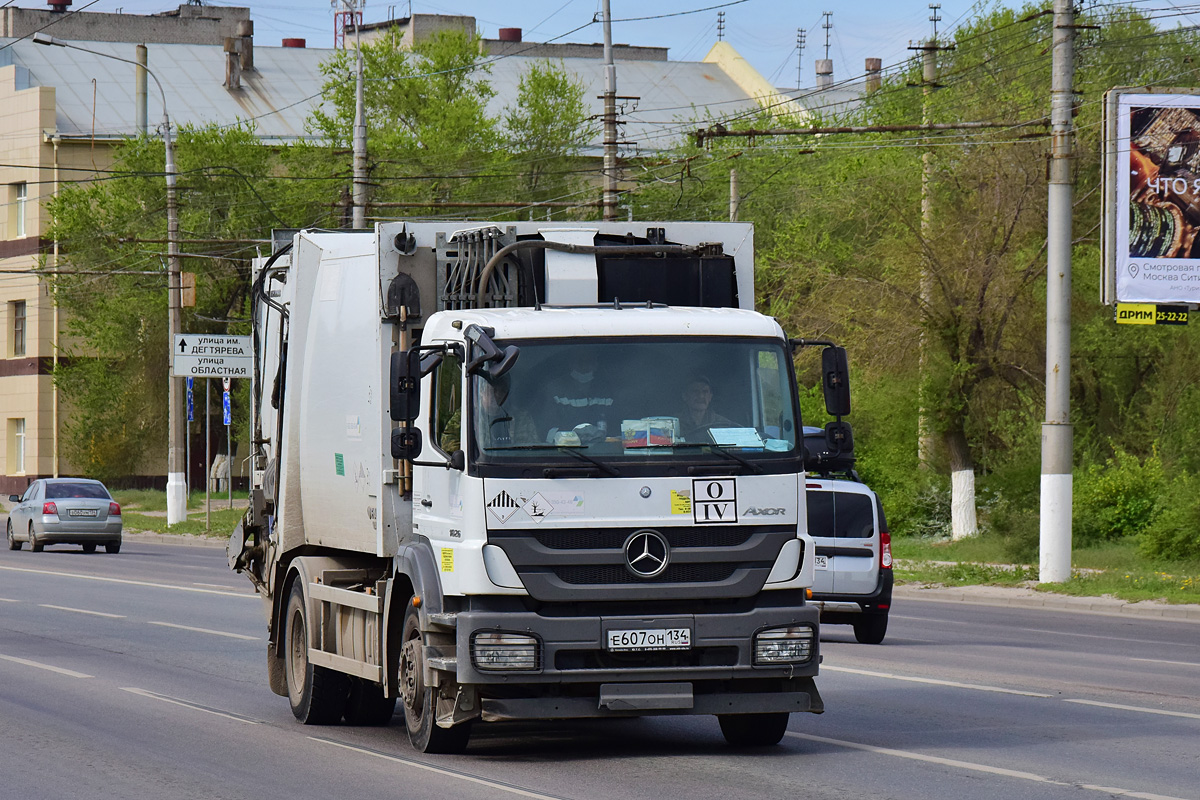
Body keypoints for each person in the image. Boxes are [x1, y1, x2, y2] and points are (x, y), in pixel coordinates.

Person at [542, 350, 614, 443]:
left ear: (596, 364)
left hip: (605, 454)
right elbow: (546, 431)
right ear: (571, 364)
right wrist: (574, 436)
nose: (584, 366)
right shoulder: (555, 391)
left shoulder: (605, 390)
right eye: (580, 361)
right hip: (565, 453)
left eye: (588, 361)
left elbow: (620, 429)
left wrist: (600, 436)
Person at [678, 374, 735, 442]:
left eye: (705, 392)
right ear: (685, 396)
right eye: (695, 391)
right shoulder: (673, 424)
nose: (701, 396)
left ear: (710, 397)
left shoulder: (723, 424)